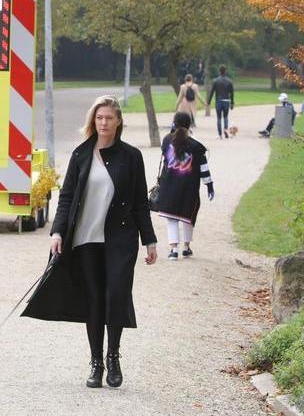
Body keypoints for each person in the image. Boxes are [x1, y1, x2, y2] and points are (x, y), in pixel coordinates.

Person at [21, 95, 157, 389]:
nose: (104, 122)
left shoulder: (131, 157)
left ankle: (113, 356)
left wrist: (150, 240)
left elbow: (139, 203)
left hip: (120, 238)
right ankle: (96, 362)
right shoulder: (81, 154)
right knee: (94, 299)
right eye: (99, 117)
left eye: (109, 118)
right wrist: (57, 232)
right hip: (85, 239)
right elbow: (67, 197)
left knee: (116, 295)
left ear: (118, 121)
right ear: (93, 121)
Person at [156, 112, 214, 259]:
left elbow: (165, 158)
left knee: (172, 219)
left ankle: (173, 250)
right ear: (189, 125)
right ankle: (186, 247)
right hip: (189, 189)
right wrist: (209, 185)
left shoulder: (167, 140)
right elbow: (203, 168)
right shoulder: (197, 146)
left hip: (169, 187)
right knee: (188, 217)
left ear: (174, 123)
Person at [206, 64, 235, 139]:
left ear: (219, 71)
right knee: (225, 117)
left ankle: (220, 135)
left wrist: (208, 102)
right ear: (225, 71)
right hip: (226, 100)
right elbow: (232, 93)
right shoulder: (229, 81)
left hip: (218, 101)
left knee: (219, 118)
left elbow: (212, 92)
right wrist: (232, 103)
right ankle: (226, 132)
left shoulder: (215, 81)